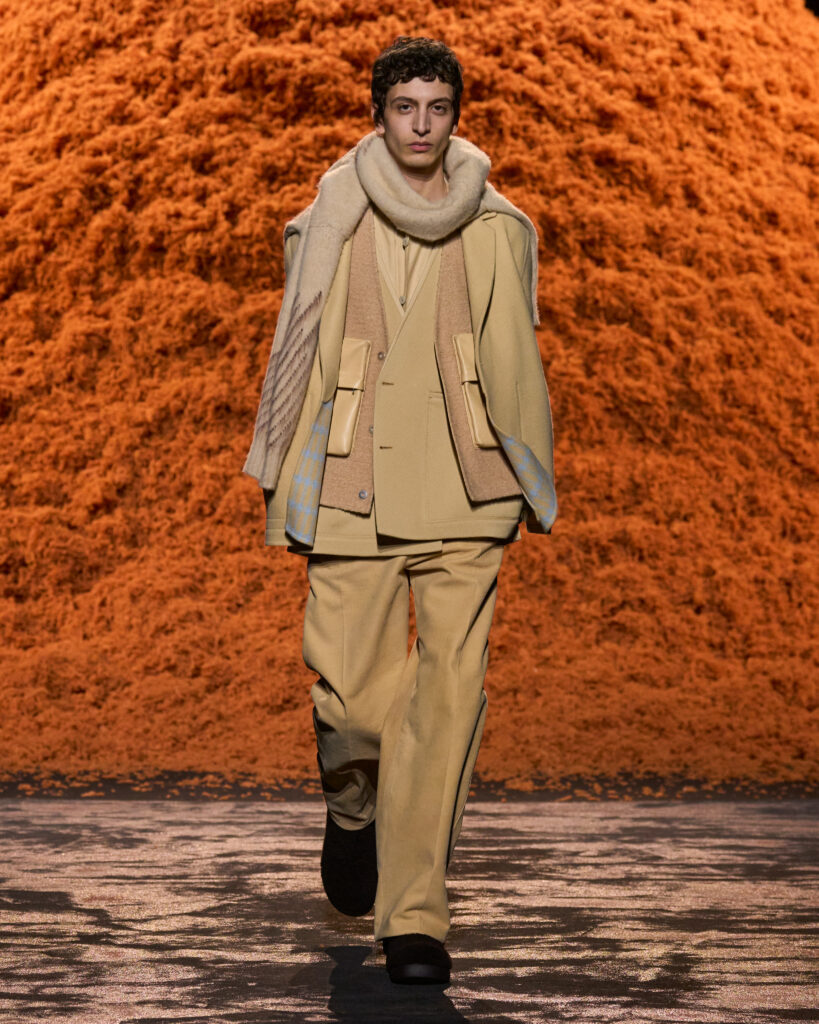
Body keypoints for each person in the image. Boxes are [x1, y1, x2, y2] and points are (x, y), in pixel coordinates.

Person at [243, 35, 557, 985]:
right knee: (347, 702)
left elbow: (516, 360)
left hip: (467, 487)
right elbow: (298, 352)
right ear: (377, 115)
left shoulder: (499, 227)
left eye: (437, 108)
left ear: (456, 117)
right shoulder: (326, 221)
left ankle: (414, 918)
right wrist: (278, 476)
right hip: (353, 481)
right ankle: (353, 808)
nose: (421, 125)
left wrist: (530, 480)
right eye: (404, 107)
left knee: (446, 705)